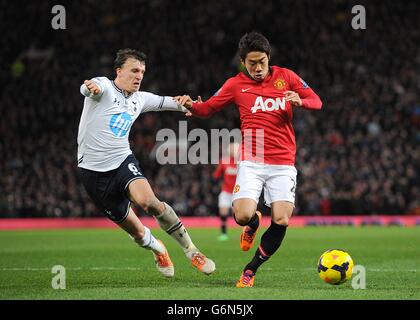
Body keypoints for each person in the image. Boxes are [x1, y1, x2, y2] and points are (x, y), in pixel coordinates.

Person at [175, 32, 322, 287]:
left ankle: (251, 269)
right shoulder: (235, 85)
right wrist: (190, 105)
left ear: (269, 58)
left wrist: (301, 100)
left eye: (262, 62)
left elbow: (317, 101)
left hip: (283, 162)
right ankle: (253, 223)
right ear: (243, 62)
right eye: (252, 63)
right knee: (241, 216)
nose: (257, 67)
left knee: (282, 219)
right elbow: (208, 108)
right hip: (252, 161)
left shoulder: (286, 77)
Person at [77, 48, 215, 279]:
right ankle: (158, 248)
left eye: (142, 71)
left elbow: (170, 102)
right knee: (139, 233)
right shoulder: (104, 87)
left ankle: (192, 251)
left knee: (149, 203)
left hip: (122, 160)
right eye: (134, 70)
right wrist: (90, 88)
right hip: (93, 174)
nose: (139, 75)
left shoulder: (140, 99)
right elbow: (89, 88)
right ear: (119, 71)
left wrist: (191, 106)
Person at [212, 142, 239, 241]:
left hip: (238, 192)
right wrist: (216, 183)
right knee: (223, 212)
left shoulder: (242, 162)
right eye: (231, 149)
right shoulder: (224, 161)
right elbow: (216, 175)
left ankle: (246, 232)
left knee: (239, 215)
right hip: (226, 191)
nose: (233, 150)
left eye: (235, 149)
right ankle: (224, 234)